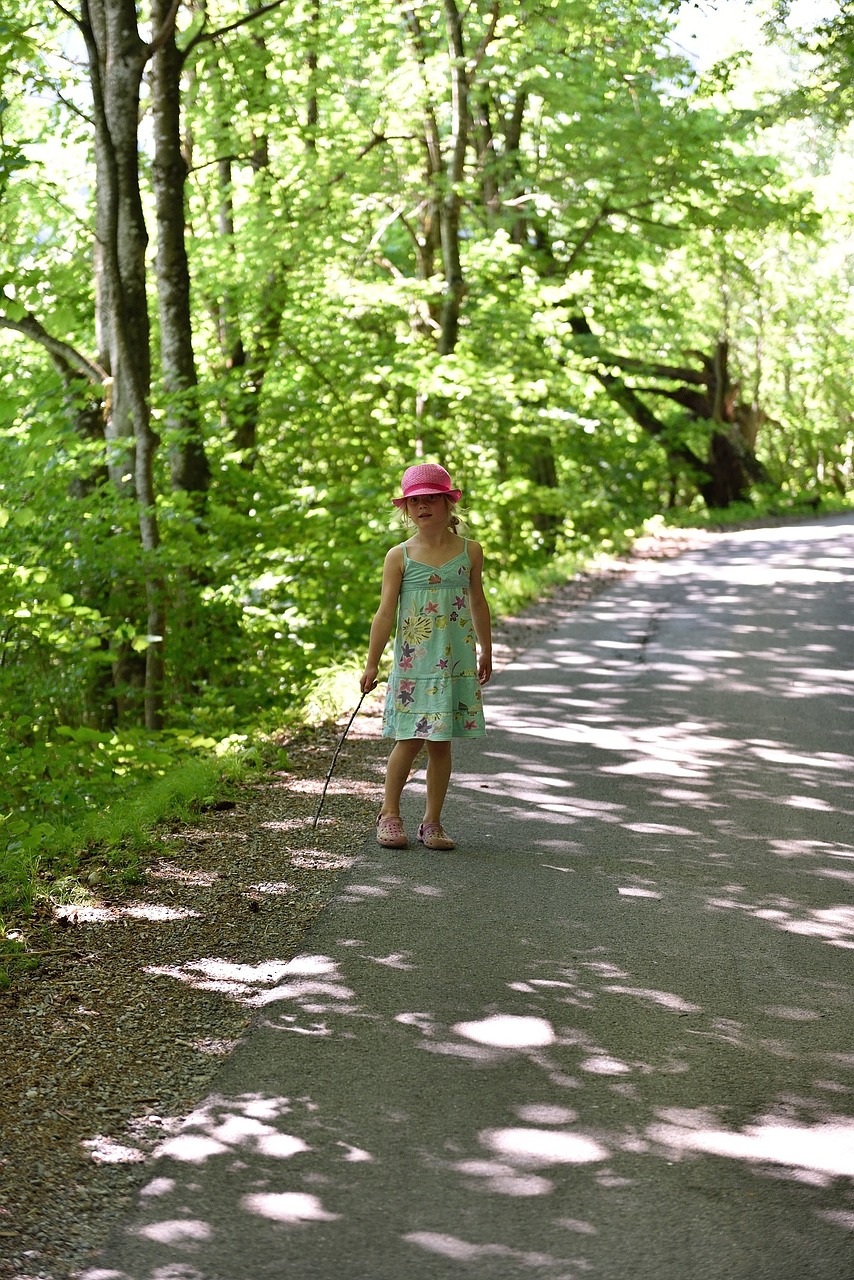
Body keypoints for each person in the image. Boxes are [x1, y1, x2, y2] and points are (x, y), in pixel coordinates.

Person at [360, 463, 492, 851]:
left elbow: (478, 602)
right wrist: (372, 662)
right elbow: (385, 613)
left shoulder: (470, 551)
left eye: (431, 498)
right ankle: (390, 813)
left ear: (448, 503)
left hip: (455, 663)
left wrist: (487, 648)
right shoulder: (399, 556)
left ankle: (432, 821)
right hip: (413, 665)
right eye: (414, 501)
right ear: (406, 509)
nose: (423, 507)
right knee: (410, 739)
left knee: (441, 744)